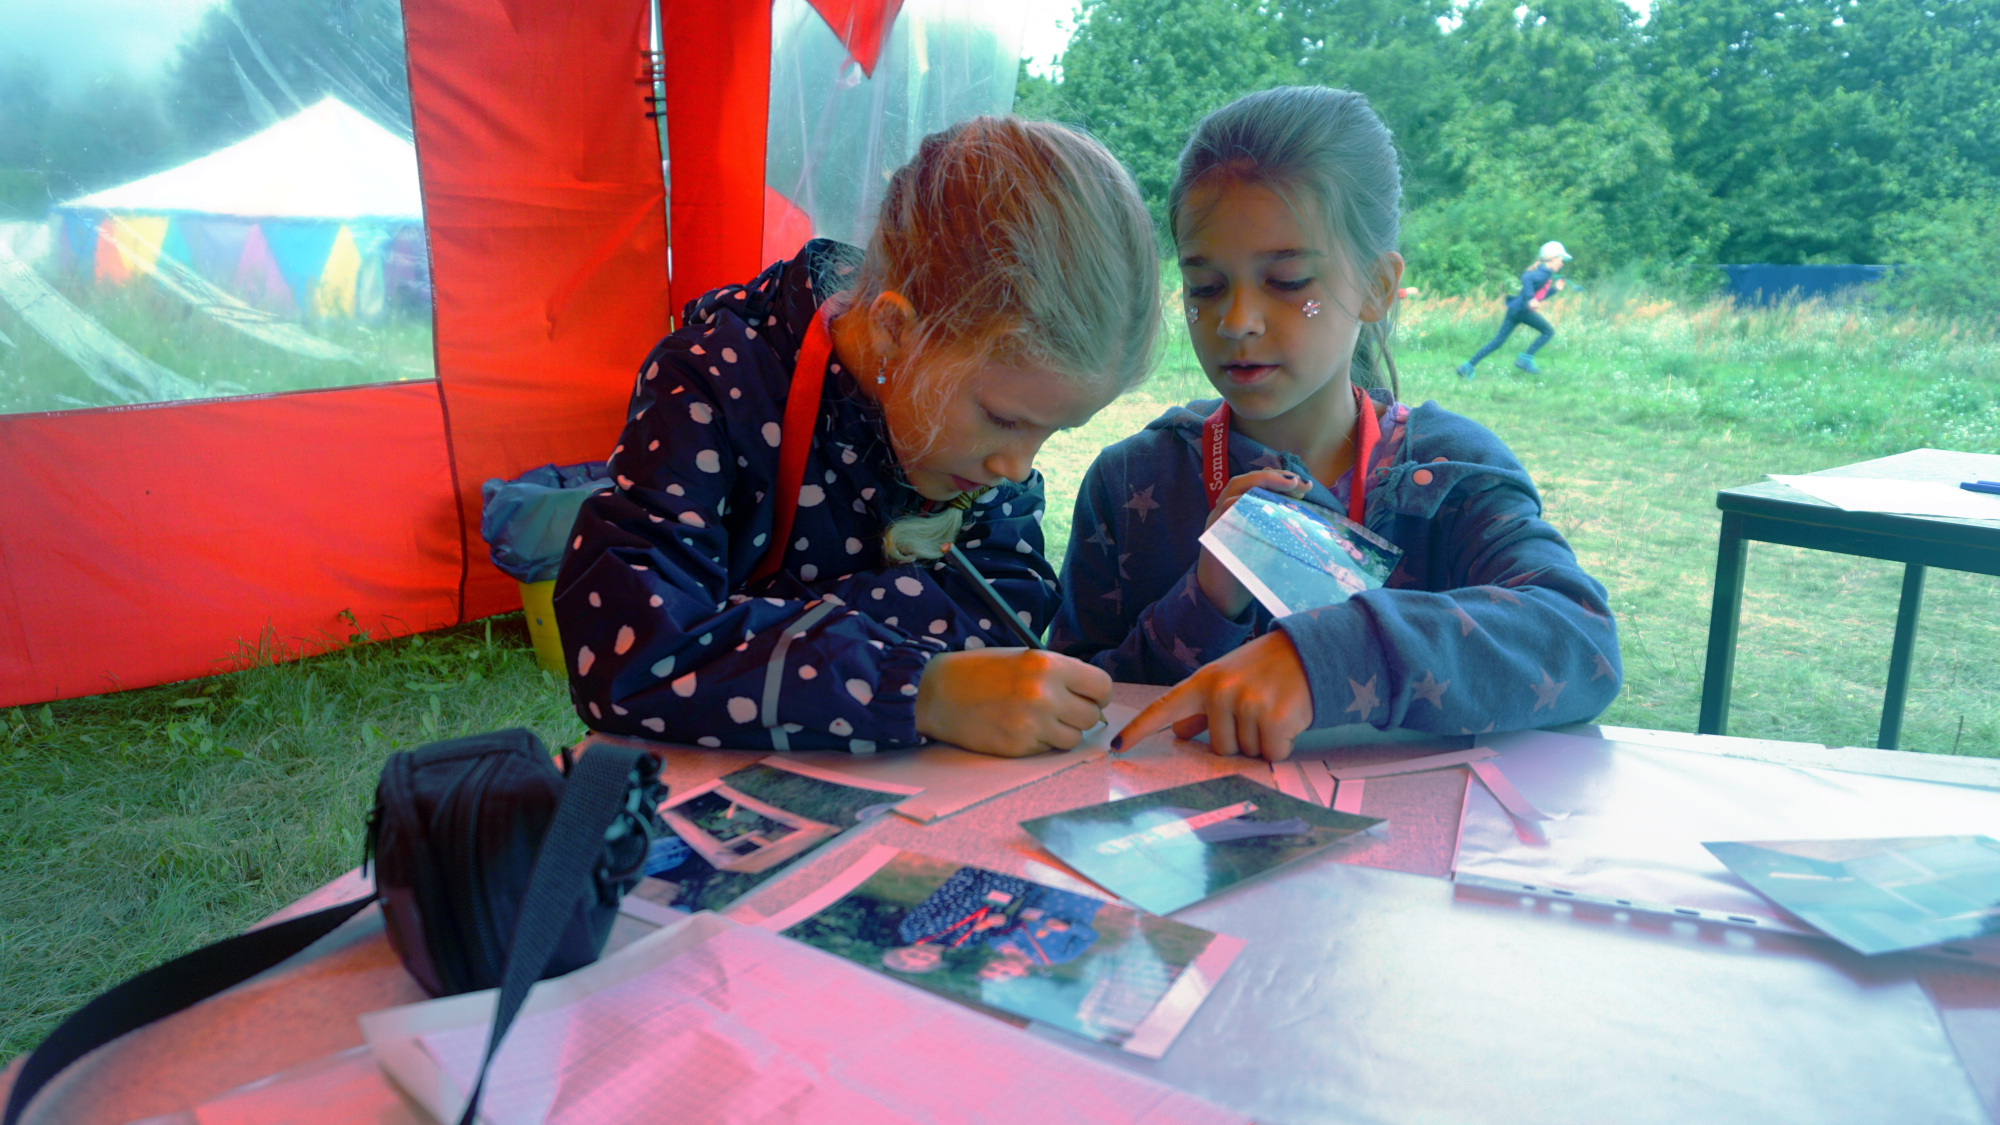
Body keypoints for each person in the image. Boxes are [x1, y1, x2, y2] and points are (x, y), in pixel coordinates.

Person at [1045, 86, 1621, 760]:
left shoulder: (1451, 475)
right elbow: (1082, 716)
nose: (1237, 320)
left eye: (1288, 282)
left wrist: (1322, 659)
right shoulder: (1131, 480)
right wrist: (1205, 601)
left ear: (1377, 285)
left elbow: (1581, 642)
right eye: (1205, 286)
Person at [556, 117, 1160, 758]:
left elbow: (1002, 605)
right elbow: (628, 650)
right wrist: (919, 688)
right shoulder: (713, 379)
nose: (1017, 467)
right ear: (898, 330)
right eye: (1005, 419)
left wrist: (740, 628)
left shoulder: (978, 448)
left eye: (1054, 431)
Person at [1457, 242, 1571, 378]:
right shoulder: (1543, 273)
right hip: (1522, 311)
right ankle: (1525, 359)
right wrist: (1530, 298)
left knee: (1497, 342)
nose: (1562, 263)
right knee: (1548, 331)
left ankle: (1467, 366)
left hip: (1515, 310)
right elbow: (1526, 277)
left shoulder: (1545, 273)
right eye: (1561, 260)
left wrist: (1555, 290)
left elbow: (1538, 297)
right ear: (1552, 259)